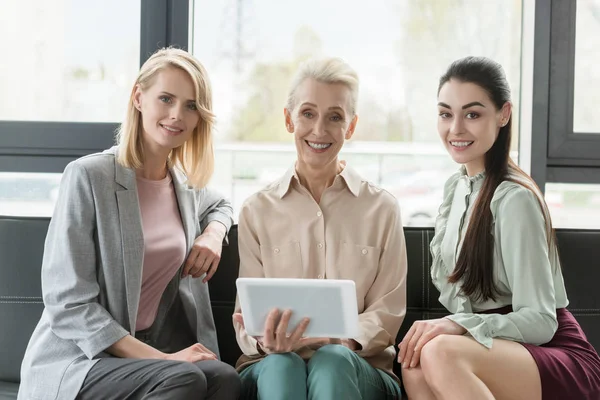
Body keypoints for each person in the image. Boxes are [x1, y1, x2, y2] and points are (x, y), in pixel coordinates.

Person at [18, 48, 241, 400]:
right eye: (165, 99)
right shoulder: (89, 177)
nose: (176, 115)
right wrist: (166, 360)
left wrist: (214, 233)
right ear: (138, 97)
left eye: (191, 105)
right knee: (185, 378)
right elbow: (69, 304)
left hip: (147, 355)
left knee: (224, 378)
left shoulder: (183, 187)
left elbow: (221, 205)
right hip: (80, 358)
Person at [398, 56, 600, 400]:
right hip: (500, 350)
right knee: (414, 359)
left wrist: (458, 325)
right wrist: (456, 324)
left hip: (556, 354)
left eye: (472, 114)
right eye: (446, 114)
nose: (456, 128)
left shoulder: (514, 199)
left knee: (439, 351)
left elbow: (540, 321)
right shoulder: (455, 189)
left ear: (503, 115)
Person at [232, 57, 406, 400]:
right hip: (272, 366)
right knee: (284, 365)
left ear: (351, 127)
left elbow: (388, 311)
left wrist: (340, 340)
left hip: (358, 368)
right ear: (288, 119)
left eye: (335, 117)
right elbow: (244, 316)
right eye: (308, 113)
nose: (319, 130)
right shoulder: (257, 210)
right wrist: (264, 340)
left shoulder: (382, 208)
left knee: (331, 360)